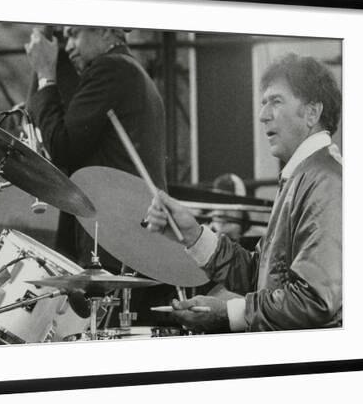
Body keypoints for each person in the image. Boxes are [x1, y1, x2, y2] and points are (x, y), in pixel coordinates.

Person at [145, 53, 342, 332]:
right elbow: (258, 275)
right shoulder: (303, 176)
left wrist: (227, 313)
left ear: (312, 113)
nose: (263, 116)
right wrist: (193, 235)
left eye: (276, 101)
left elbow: (315, 301)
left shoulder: (326, 181)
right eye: (264, 103)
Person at [25, 26, 170, 325]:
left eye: (75, 33)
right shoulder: (134, 73)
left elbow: (62, 146)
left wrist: (45, 77)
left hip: (113, 242)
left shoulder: (110, 69)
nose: (69, 46)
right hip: (135, 240)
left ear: (106, 30)